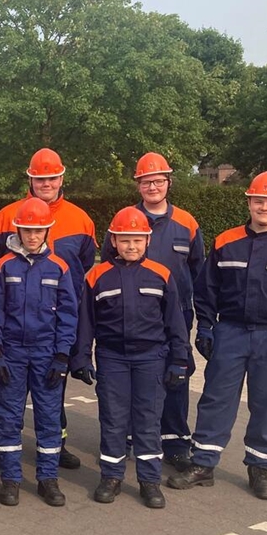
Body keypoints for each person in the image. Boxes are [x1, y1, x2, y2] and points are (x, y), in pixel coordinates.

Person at [169, 171, 267, 501]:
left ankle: (261, 467)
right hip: (230, 332)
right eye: (259, 201)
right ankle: (203, 464)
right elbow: (206, 290)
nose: (264, 207)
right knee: (216, 398)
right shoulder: (225, 242)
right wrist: (207, 326)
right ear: (249, 202)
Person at [0, 147, 96, 471]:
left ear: (61, 178)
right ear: (30, 179)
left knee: (52, 386)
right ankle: (3, 447)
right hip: (16, 324)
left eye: (52, 177)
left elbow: (83, 263)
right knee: (9, 395)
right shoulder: (6, 216)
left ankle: (57, 445)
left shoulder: (81, 219)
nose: (46, 183)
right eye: (40, 178)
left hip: (56, 323)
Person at [71, 207, 190, 509]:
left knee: (148, 420)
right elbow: (86, 323)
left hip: (152, 358)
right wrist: (82, 359)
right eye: (124, 240)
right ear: (113, 241)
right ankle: (111, 476)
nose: (131, 246)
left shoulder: (162, 275)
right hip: (112, 358)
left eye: (137, 240)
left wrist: (179, 360)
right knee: (113, 419)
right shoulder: (96, 276)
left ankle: (149, 481)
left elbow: (175, 322)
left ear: (147, 241)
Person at [98, 153, 204, 471]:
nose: (153, 186)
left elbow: (199, 270)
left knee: (175, 376)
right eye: (146, 181)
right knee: (133, 379)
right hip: (130, 315)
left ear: (168, 183)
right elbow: (107, 265)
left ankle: (174, 443)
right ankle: (131, 439)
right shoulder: (123, 220)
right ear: (138, 185)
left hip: (176, 314)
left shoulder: (187, 223)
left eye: (159, 180)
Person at [0, 197, 78, 507]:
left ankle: (47, 479)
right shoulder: (2, 266)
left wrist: (63, 355)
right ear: (18, 231)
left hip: (47, 354)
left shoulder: (59, 268)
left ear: (47, 232)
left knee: (49, 418)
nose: (33, 236)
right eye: (27, 231)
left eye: (39, 231)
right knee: (9, 417)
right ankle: (10, 480)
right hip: (11, 353)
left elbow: (68, 314)